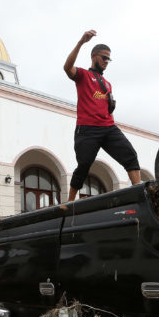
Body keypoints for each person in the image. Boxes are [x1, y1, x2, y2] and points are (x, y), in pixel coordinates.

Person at [63, 29, 142, 201]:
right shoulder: (83, 75)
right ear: (94, 56)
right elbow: (67, 68)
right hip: (87, 129)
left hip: (108, 128)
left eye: (108, 59)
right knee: (84, 166)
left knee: (130, 155)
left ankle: (139, 192)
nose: (106, 61)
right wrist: (81, 42)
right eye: (104, 57)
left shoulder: (107, 84)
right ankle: (69, 203)